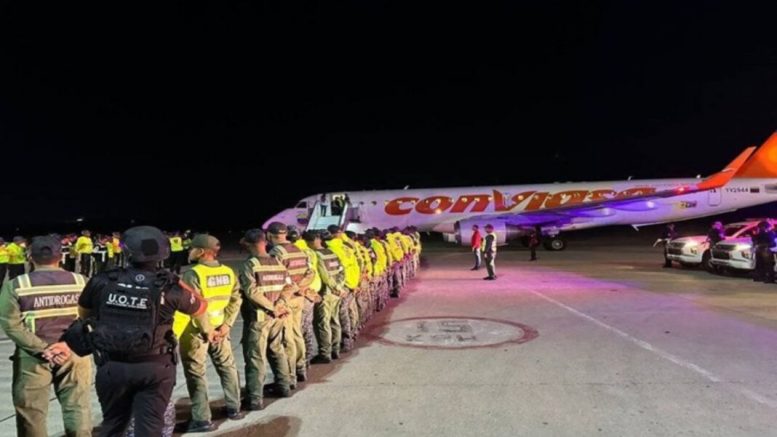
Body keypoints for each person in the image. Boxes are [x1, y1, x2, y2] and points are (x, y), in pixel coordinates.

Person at [69, 225, 213, 436]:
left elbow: (84, 314)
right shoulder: (168, 286)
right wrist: (177, 281)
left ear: (127, 251)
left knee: (113, 425)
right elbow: (201, 306)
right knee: (150, 428)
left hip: (112, 365)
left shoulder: (103, 280)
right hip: (155, 366)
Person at [0, 235, 92, 436]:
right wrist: (67, 345)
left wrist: (43, 349)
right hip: (74, 354)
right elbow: (92, 319)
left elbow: (11, 324)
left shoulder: (17, 285)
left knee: (31, 413)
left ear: (30, 257)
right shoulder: (82, 282)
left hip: (33, 357)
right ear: (61, 257)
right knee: (77, 408)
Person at [173, 234, 244, 432]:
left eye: (192, 248)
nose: (189, 251)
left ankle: (202, 419)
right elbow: (236, 300)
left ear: (202, 252)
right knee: (227, 367)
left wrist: (207, 330)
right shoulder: (228, 272)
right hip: (220, 328)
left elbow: (194, 304)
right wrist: (227, 325)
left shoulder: (193, 274)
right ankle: (234, 408)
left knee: (196, 373)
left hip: (197, 331)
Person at [238, 229, 293, 410]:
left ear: (249, 244)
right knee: (277, 350)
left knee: (255, 357)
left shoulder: (250, 264)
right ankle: (284, 387)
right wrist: (281, 304)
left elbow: (251, 292)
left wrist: (272, 307)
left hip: (259, 317)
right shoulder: (277, 262)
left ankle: (254, 398)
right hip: (278, 317)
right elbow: (289, 286)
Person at [267, 222, 315, 383]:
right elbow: (310, 273)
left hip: (286, 299)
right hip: (299, 298)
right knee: (297, 333)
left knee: (287, 338)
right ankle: (301, 367)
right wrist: (300, 287)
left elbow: (277, 277)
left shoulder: (276, 252)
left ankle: (290, 375)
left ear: (269, 235)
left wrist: (286, 294)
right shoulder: (299, 250)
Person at [309, 230, 344, 363]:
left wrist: (334, 287)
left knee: (322, 323)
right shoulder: (331, 253)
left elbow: (324, 275)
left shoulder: (316, 255)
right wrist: (339, 287)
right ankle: (335, 350)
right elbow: (342, 270)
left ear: (312, 242)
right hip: (337, 293)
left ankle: (325, 354)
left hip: (326, 293)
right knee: (334, 320)